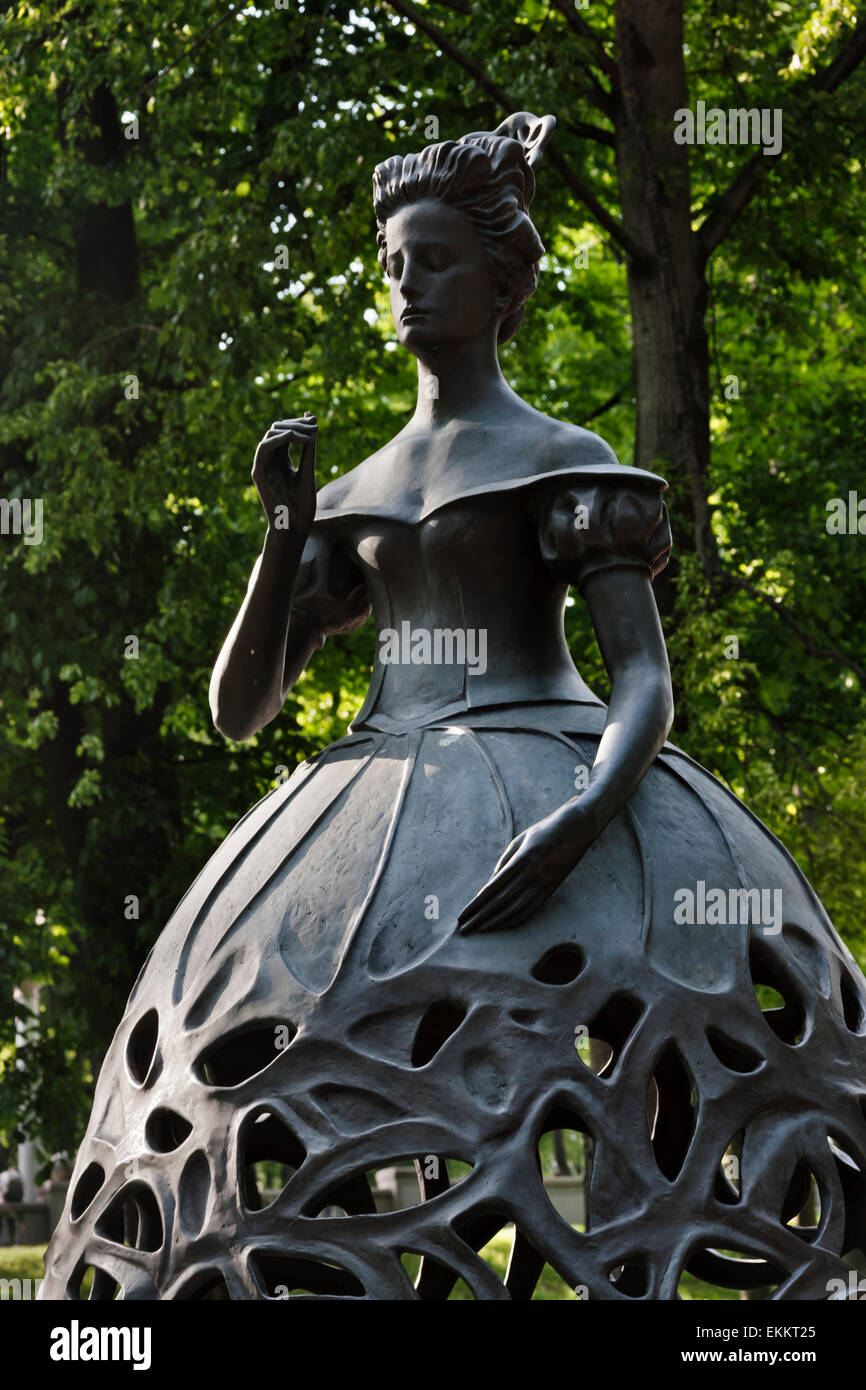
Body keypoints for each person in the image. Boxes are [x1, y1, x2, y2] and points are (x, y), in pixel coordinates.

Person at [43, 113, 866, 1301]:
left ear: (500, 278)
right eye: (389, 267)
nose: (405, 290)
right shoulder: (353, 491)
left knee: (665, 1025)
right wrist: (281, 534)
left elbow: (642, 676)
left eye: (432, 263)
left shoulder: (560, 459)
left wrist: (588, 815)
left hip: (561, 765)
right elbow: (240, 707)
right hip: (371, 804)